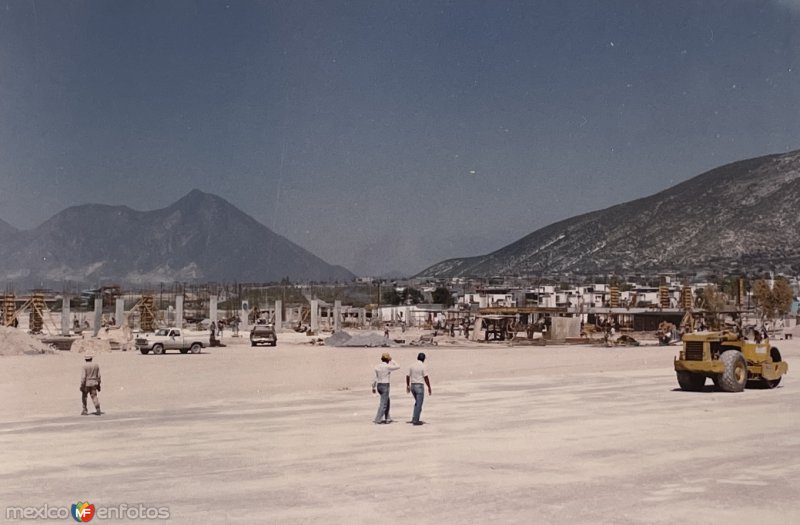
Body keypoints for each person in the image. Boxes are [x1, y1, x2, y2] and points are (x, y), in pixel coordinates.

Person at [371, 352, 400, 424]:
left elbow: (376, 377)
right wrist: (392, 360)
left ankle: (388, 418)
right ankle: (378, 419)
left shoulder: (377, 366)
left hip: (379, 385)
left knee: (387, 401)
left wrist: (373, 387)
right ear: (387, 359)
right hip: (385, 385)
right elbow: (398, 366)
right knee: (383, 403)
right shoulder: (388, 366)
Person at [406, 352, 432, 426]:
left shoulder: (412, 365)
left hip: (413, 385)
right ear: (423, 359)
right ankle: (415, 420)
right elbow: (426, 377)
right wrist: (429, 387)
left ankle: (415, 418)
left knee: (417, 403)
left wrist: (407, 385)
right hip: (419, 386)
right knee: (419, 404)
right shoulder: (423, 366)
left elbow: (407, 376)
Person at [80, 351, 102, 416]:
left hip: (87, 384)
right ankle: (98, 409)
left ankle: (85, 410)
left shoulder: (84, 366)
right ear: (91, 358)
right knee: (94, 396)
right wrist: (99, 384)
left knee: (84, 397)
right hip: (94, 383)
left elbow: (83, 377)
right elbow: (99, 376)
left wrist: (82, 385)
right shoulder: (96, 365)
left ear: (85, 359)